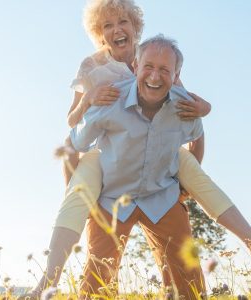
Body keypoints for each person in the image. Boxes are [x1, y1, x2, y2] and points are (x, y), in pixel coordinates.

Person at [20, 0, 251, 298]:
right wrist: (88, 101)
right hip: (112, 166)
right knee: (90, 244)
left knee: (192, 178)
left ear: (135, 26)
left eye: (122, 22)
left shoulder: (162, 68)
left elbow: (190, 112)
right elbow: (73, 131)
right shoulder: (95, 72)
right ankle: (48, 280)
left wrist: (204, 113)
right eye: (107, 25)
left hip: (159, 178)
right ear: (100, 34)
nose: (116, 29)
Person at [72, 35, 205, 298]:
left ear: (176, 75)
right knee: (98, 277)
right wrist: (86, 195)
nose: (155, 76)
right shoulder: (111, 98)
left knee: (187, 279)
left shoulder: (183, 106)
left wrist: (184, 189)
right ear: (135, 66)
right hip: (112, 198)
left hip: (161, 196)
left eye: (165, 70)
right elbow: (79, 141)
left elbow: (197, 136)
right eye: (149, 66)